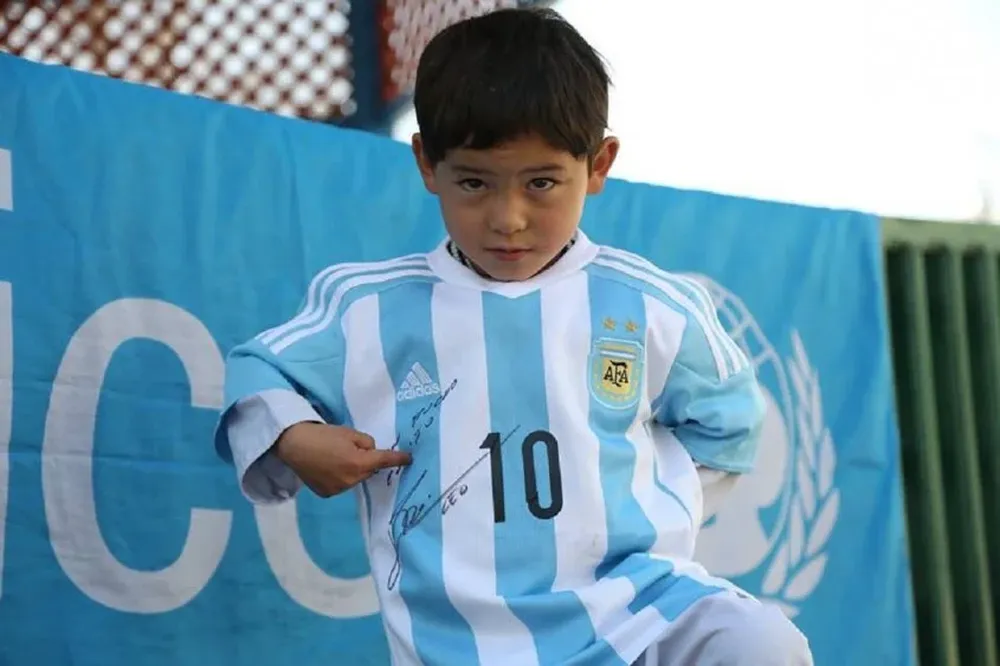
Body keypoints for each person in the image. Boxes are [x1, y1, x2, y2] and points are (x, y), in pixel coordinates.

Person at [214, 7, 813, 666]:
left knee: (763, 644)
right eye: (474, 182)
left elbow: (730, 421)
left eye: (542, 183)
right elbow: (258, 371)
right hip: (458, 645)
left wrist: (635, 495)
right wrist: (298, 438)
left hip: (636, 615)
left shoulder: (651, 306)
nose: (509, 218)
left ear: (599, 164)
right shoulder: (367, 307)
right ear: (425, 163)